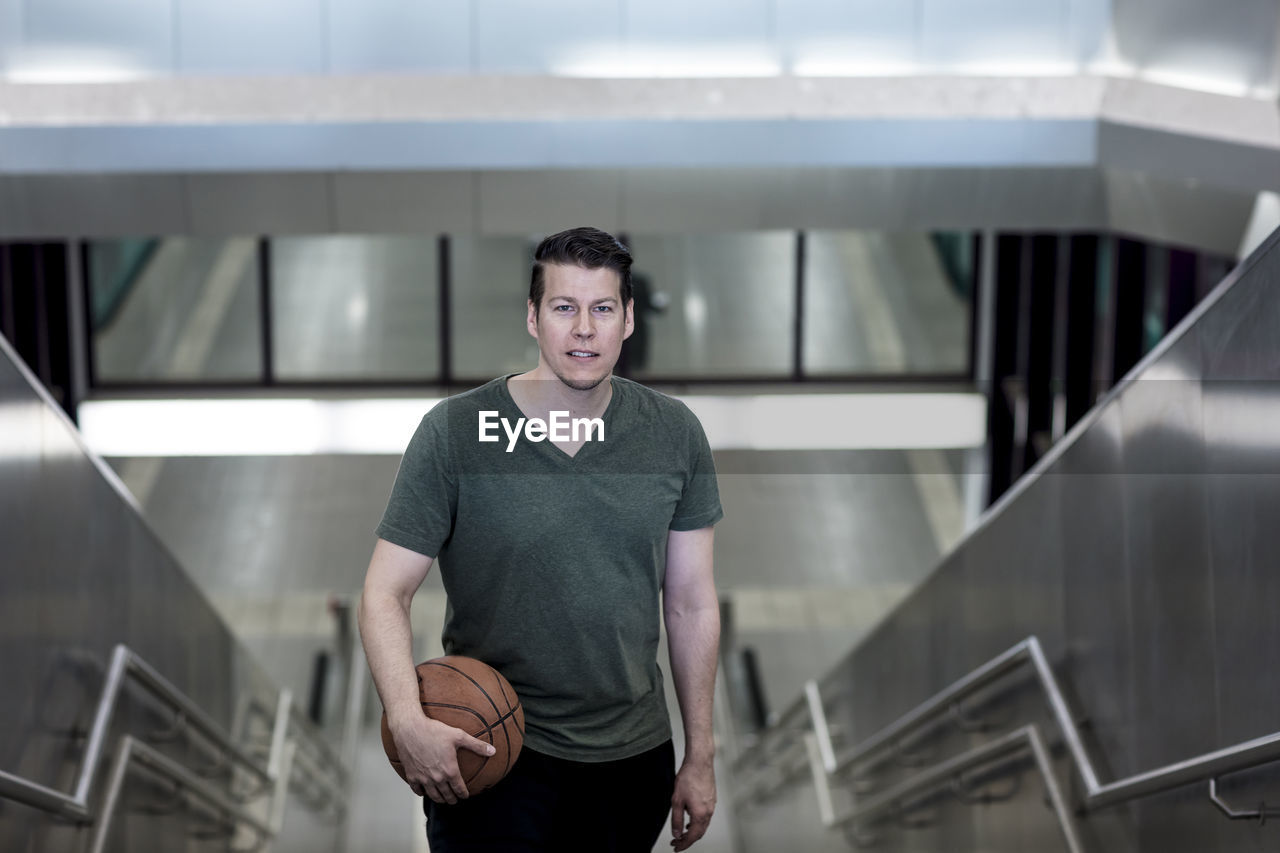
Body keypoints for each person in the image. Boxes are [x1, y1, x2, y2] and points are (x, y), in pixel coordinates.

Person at [358, 226, 723, 852]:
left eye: (602, 308)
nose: (584, 328)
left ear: (628, 320)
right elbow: (383, 593)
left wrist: (702, 753)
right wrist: (406, 716)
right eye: (564, 307)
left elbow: (690, 601)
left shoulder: (674, 435)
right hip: (491, 752)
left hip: (630, 759)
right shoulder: (456, 433)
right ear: (533, 317)